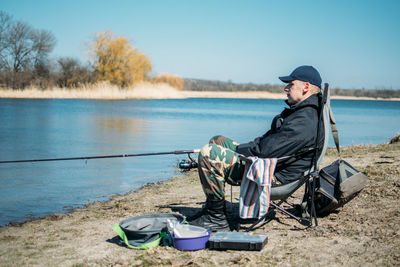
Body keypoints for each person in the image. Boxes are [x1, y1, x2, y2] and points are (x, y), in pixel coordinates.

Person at [188, 65, 325, 231]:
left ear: (306, 87)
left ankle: (216, 218)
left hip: (276, 178)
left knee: (209, 153)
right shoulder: (302, 112)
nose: (285, 88)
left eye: (291, 84)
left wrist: (237, 152)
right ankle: (212, 207)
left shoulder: (304, 120)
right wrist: (241, 149)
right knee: (217, 141)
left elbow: (264, 151)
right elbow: (266, 143)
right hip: (276, 164)